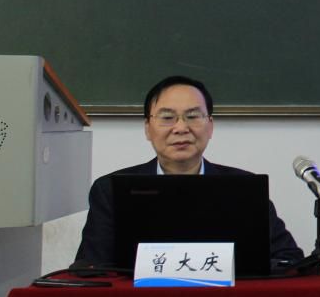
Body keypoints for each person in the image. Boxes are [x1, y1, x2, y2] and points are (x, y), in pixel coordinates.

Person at [74, 75, 304, 270]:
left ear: (210, 126)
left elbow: (289, 259)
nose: (181, 128)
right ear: (147, 129)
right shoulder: (111, 190)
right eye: (167, 118)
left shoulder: (245, 188)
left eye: (193, 116)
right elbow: (92, 267)